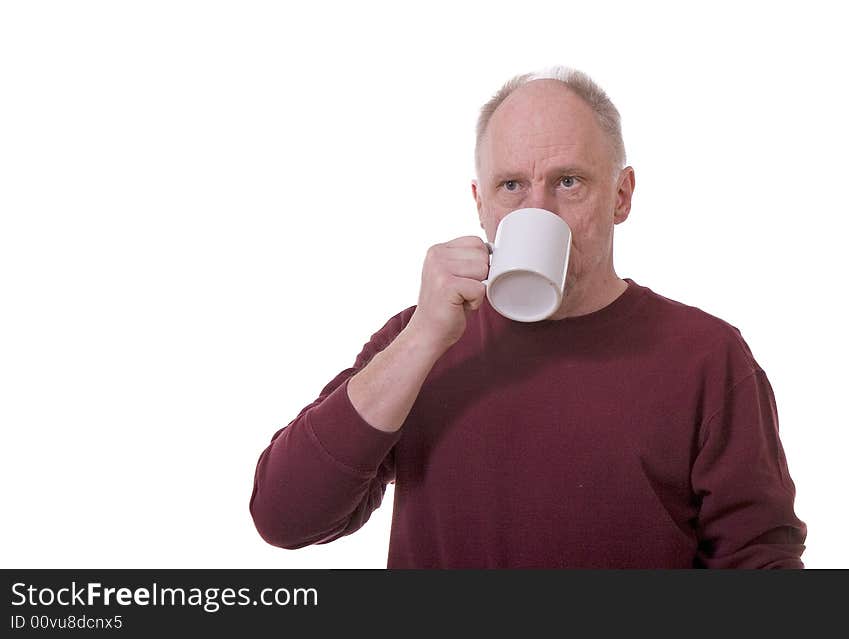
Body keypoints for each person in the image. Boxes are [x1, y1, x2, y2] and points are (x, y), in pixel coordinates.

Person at [249, 66, 807, 568]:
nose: (537, 210)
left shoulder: (706, 357)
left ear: (621, 195)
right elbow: (284, 517)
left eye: (568, 181)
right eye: (511, 186)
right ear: (481, 203)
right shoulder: (417, 340)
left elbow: (759, 564)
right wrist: (422, 338)